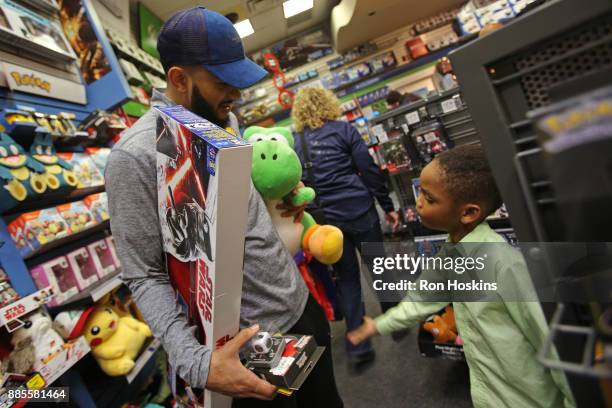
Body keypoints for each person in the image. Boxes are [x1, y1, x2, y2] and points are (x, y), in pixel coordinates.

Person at [105, 7, 343, 408]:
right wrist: (197, 364)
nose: (236, 93)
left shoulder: (223, 118)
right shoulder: (135, 157)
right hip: (251, 343)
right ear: (179, 78)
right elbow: (143, 273)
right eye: (223, 81)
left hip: (300, 307)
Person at [347, 145, 576, 408]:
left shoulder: (504, 265)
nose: (418, 202)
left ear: (468, 212)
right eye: (420, 192)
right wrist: (377, 326)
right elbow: (422, 299)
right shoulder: (452, 251)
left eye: (430, 198)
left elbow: (550, 341)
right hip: (489, 393)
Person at [290, 87, 402, 365]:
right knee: (378, 265)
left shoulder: (295, 142)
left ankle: (358, 343)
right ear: (328, 103)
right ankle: (396, 322)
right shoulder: (344, 130)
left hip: (327, 221)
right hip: (359, 209)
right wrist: (387, 206)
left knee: (347, 278)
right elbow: (368, 169)